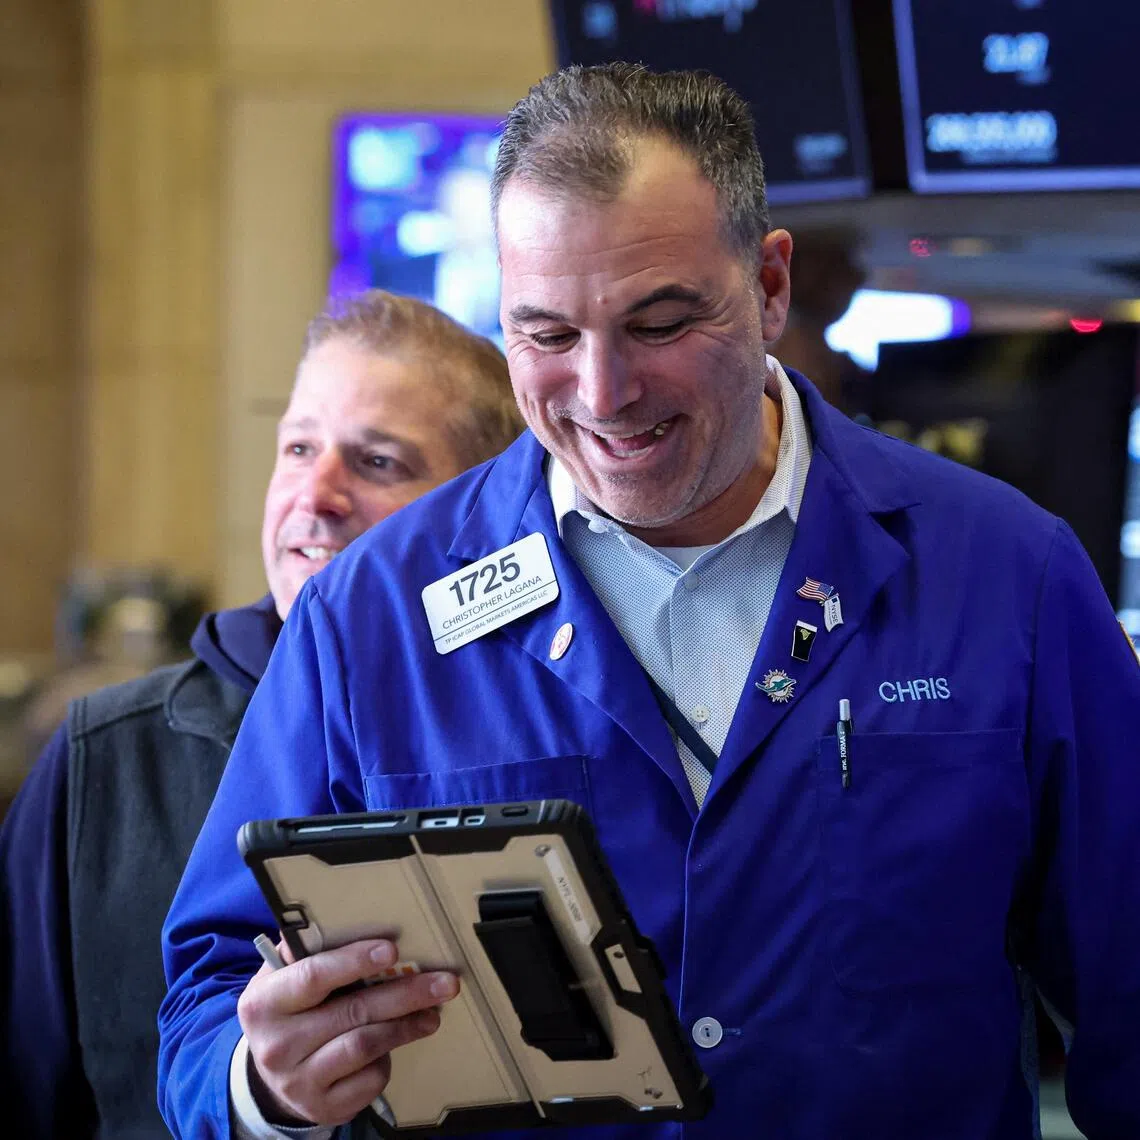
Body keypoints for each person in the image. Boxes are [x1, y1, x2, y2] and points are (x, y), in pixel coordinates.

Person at [158, 65, 1140, 1140]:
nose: (603, 392)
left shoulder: (1009, 578)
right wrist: (265, 1086)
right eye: (546, 336)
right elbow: (205, 1010)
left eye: (661, 324)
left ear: (769, 287)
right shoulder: (375, 618)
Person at [0, 289, 522, 1139]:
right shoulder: (106, 759)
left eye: (378, 461)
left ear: (478, 514)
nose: (314, 495)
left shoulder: (532, 743)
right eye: (299, 447)